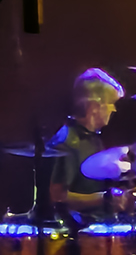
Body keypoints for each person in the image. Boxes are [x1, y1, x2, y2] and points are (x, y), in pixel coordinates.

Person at [47, 69, 123, 216]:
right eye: (111, 103)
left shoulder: (93, 139)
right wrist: (104, 199)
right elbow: (56, 196)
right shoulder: (68, 141)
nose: (114, 109)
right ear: (94, 107)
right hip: (77, 233)